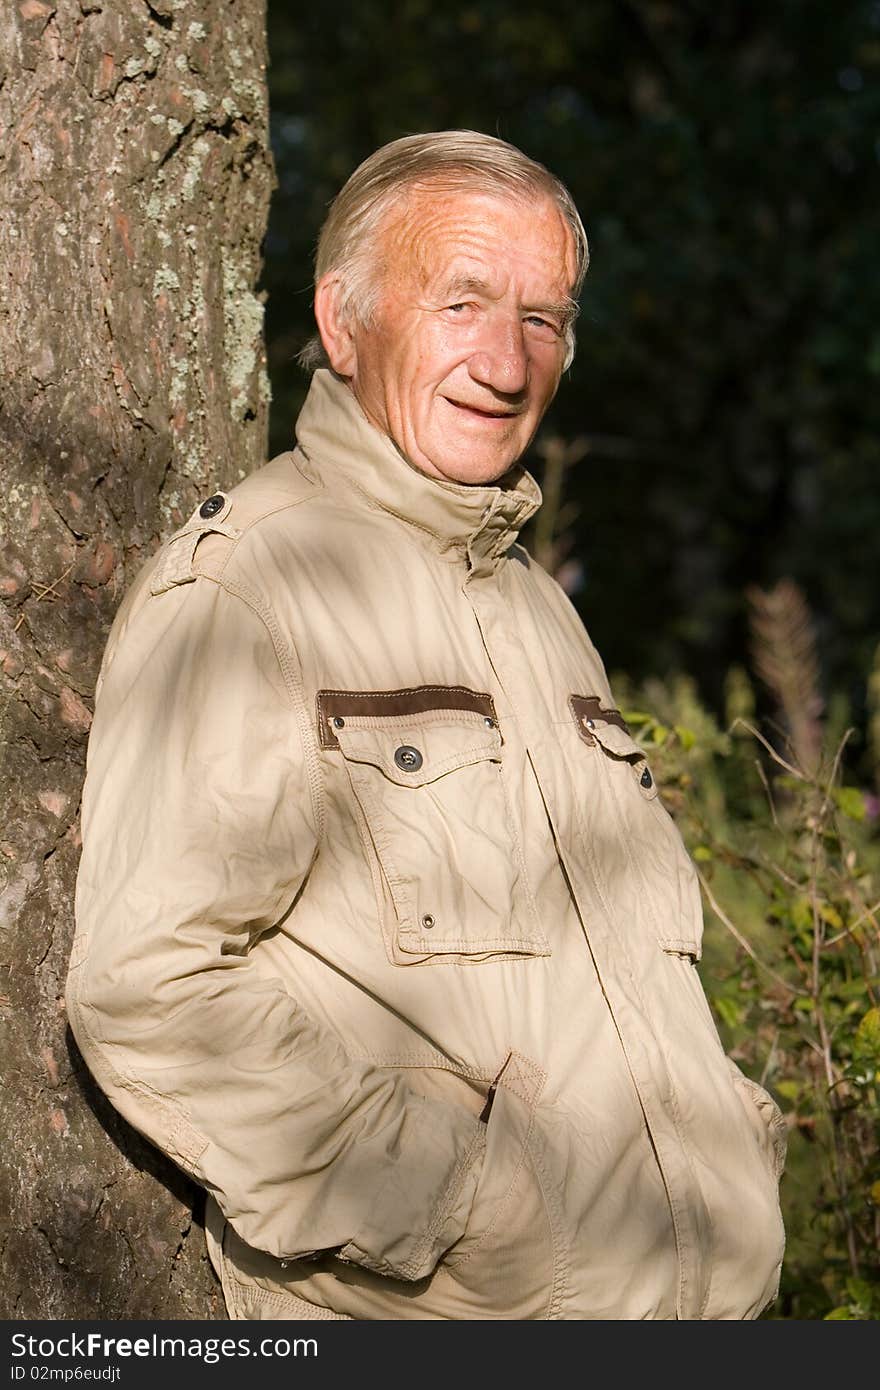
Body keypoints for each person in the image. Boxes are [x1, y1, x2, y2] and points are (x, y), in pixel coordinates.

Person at [66, 130, 786, 1321]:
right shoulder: (248, 584)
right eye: (461, 302)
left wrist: (734, 1146)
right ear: (343, 325)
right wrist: (467, 1212)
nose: (507, 361)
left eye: (544, 318)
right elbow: (150, 986)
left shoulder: (536, 603)